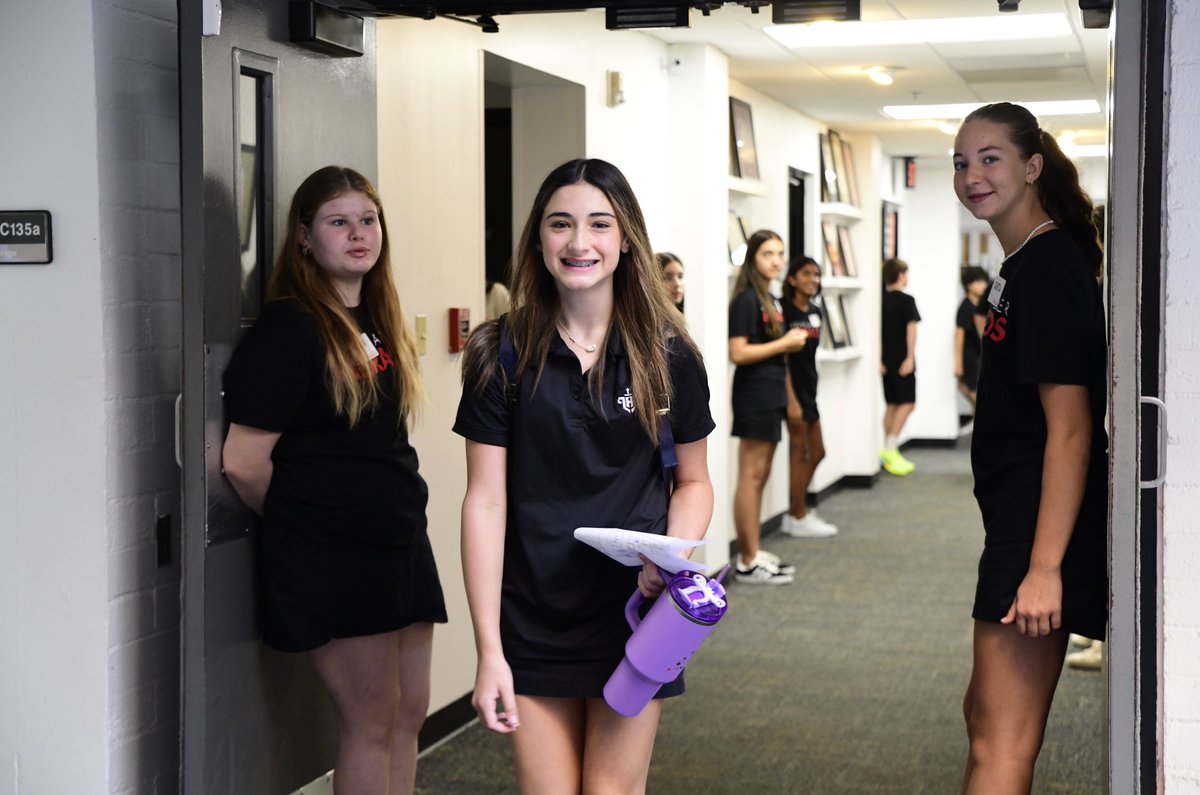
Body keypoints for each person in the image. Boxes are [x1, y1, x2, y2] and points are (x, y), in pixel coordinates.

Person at [454, 158, 715, 794]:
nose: (579, 243)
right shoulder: (501, 353)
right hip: (534, 616)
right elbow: (484, 504)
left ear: (626, 239)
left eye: (599, 224)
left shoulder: (668, 353)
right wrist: (489, 649)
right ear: (538, 240)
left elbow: (694, 483)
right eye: (560, 224)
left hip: (634, 617)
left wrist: (673, 556)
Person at [222, 166, 446, 795]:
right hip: (337, 556)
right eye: (338, 222)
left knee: (407, 712)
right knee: (371, 721)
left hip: (398, 543)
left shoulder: (373, 319)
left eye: (368, 220)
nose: (358, 234)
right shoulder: (290, 329)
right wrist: (314, 525)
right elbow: (242, 461)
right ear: (304, 238)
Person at [952, 102, 1107, 794]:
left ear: (1032, 166)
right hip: (1019, 524)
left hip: (1036, 536)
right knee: (985, 722)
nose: (972, 174)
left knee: (1001, 745)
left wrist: (1045, 569)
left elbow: (1072, 428)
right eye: (962, 161)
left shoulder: (1047, 267)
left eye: (990, 158)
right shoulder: (1026, 262)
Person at [729, 230, 810, 583]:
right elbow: (738, 352)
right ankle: (746, 561)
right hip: (754, 396)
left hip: (771, 394)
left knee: (760, 477)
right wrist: (785, 345)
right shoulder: (747, 299)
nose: (776, 260)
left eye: (780, 253)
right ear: (752, 258)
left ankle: (753, 550)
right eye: (767, 254)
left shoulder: (770, 298)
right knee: (751, 476)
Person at [780, 256, 837, 538]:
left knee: (817, 451)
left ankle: (796, 510)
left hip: (810, 388)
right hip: (793, 391)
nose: (812, 279)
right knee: (800, 452)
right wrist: (791, 401)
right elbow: (785, 360)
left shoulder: (816, 310)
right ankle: (797, 515)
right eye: (806, 274)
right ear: (792, 279)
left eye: (816, 274)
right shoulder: (784, 311)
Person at [880, 257, 921, 476]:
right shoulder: (907, 300)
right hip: (902, 359)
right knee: (907, 403)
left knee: (892, 404)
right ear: (901, 275)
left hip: (886, 360)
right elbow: (911, 331)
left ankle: (888, 450)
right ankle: (890, 448)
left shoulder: (881, 301)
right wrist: (910, 358)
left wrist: (879, 360)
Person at [955, 265, 991, 408]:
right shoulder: (965, 307)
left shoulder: (985, 305)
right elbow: (959, 335)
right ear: (968, 285)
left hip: (982, 355)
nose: (982, 285)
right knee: (973, 392)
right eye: (977, 281)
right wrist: (958, 364)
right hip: (971, 359)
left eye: (984, 281)